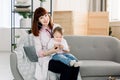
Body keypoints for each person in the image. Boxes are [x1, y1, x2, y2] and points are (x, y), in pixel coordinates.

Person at [32, 7, 80, 80]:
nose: (45, 19)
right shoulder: (37, 33)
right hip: (48, 59)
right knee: (66, 66)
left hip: (61, 54)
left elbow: (63, 40)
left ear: (48, 15)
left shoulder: (56, 26)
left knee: (76, 65)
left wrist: (64, 48)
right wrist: (52, 51)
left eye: (45, 15)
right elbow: (39, 53)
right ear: (38, 20)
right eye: (41, 18)